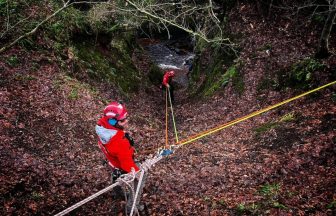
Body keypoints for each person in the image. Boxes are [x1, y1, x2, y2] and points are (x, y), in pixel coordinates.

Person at [95, 101, 148, 215]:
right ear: (113, 121)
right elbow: (126, 165)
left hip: (113, 161)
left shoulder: (102, 127)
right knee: (141, 177)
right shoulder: (120, 142)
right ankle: (132, 207)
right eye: (123, 120)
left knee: (116, 176)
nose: (126, 121)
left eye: (126, 118)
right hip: (120, 163)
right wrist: (138, 173)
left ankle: (118, 192)